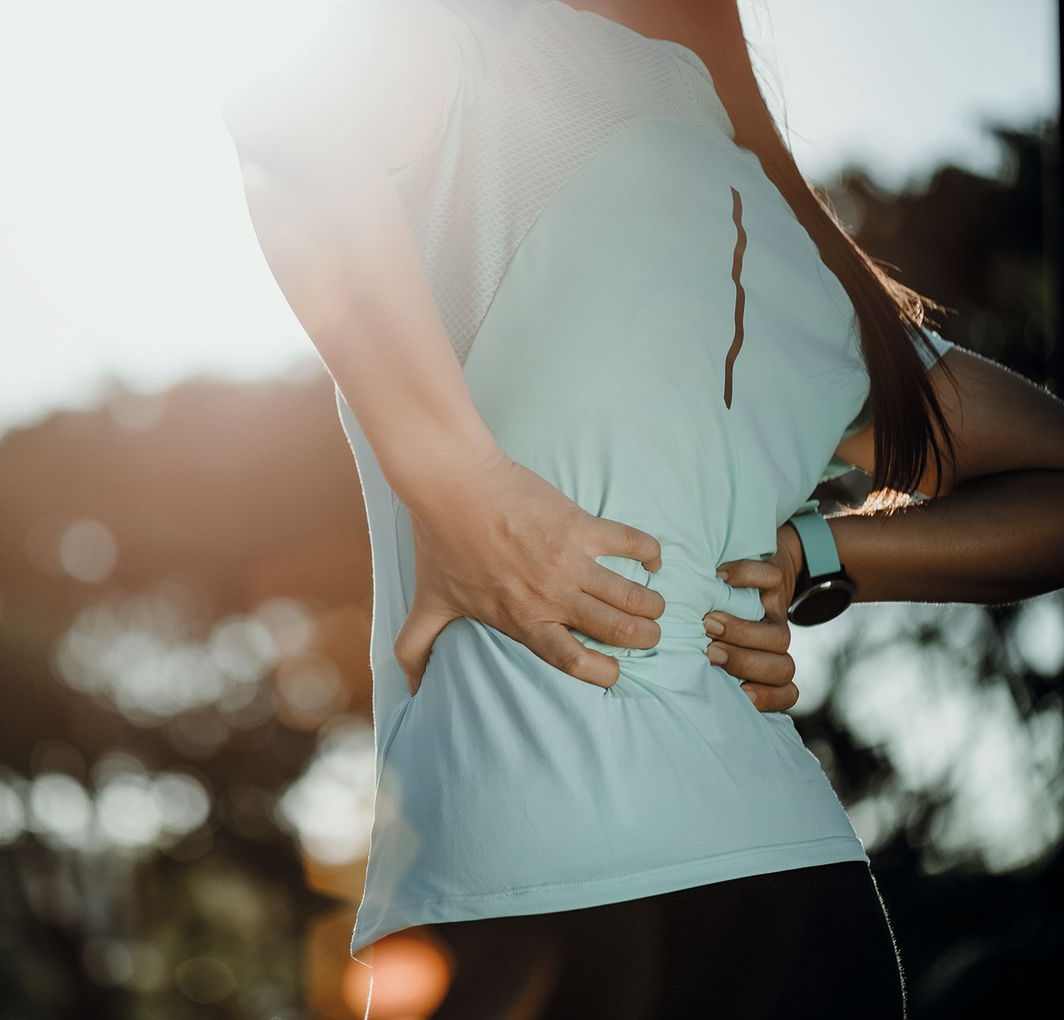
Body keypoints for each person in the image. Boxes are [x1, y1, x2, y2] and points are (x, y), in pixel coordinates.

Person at [221, 0, 1064, 1015]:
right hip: (801, 899)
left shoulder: (478, 53)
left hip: (521, 899)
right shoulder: (790, 247)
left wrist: (462, 487)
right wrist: (815, 554)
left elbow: (280, 112)